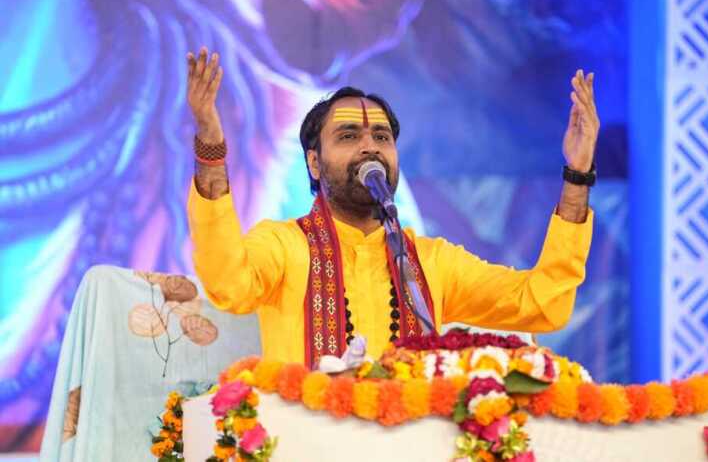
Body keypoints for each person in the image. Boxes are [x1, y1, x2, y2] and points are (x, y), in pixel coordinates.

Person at [185, 47, 599, 368]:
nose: (370, 146)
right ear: (314, 162)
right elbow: (228, 283)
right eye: (348, 136)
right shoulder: (283, 245)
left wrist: (577, 177)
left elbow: (542, 302)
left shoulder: (433, 262)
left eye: (382, 137)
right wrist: (211, 151)